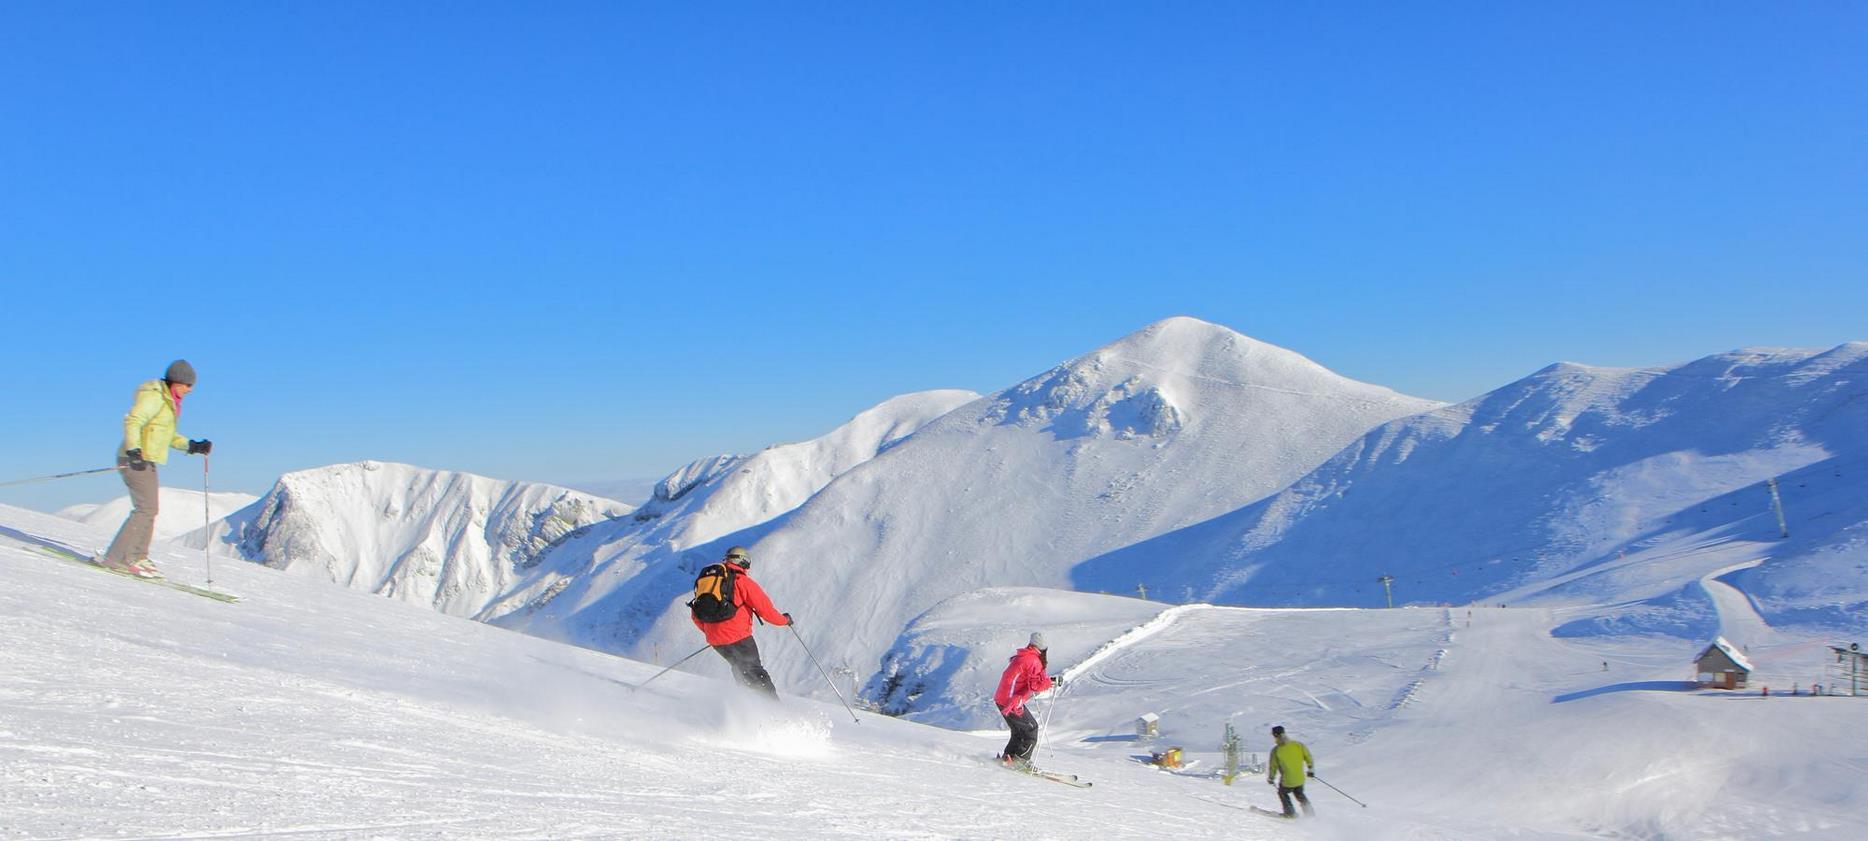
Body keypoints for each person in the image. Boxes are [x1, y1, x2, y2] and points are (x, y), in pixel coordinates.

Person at [99, 360, 211, 579]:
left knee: (149, 509)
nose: (191, 390)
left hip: (146, 459)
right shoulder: (155, 397)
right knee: (146, 509)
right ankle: (120, 558)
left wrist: (192, 446)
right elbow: (134, 421)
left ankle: (136, 555)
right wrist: (134, 451)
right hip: (135, 459)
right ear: (178, 382)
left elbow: (166, 436)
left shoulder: (169, 403)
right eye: (188, 385)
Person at [690, 545, 792, 699]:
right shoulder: (742, 581)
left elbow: (696, 614)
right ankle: (774, 710)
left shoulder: (709, 582)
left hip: (715, 639)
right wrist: (784, 620)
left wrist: (713, 631)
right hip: (738, 637)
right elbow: (766, 611)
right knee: (756, 672)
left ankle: (746, 706)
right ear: (744, 563)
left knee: (740, 669)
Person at [993, 632, 1058, 770]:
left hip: (1002, 698)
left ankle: (1008, 758)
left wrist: (1049, 681)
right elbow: (1035, 685)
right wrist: (1048, 683)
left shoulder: (1024, 656)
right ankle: (1021, 761)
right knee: (1031, 729)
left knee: (1018, 731)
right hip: (1012, 701)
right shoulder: (1033, 661)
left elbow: (1029, 679)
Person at [1266, 725, 1316, 818]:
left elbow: (1273, 767)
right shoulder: (1298, 745)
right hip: (1300, 779)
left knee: (1282, 793)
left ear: (1275, 735)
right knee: (1300, 795)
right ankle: (1310, 814)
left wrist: (1271, 778)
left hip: (1287, 780)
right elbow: (1308, 757)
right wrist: (1310, 769)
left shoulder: (1276, 750)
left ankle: (1290, 813)